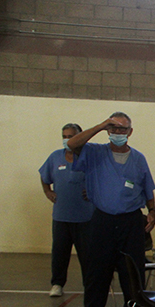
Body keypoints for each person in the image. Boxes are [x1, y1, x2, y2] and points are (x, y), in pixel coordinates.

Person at [67, 112, 155, 307]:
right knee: (97, 271)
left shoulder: (138, 159)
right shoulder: (94, 152)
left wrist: (152, 211)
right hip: (102, 220)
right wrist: (100, 126)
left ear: (130, 132)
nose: (118, 132)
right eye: (113, 128)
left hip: (131, 221)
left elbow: (147, 188)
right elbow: (72, 144)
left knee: (131, 272)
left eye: (122, 129)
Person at [39, 123, 93, 297]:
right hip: (61, 216)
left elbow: (102, 179)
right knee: (59, 253)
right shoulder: (55, 157)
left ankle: (90, 286)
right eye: (65, 136)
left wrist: (93, 191)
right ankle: (57, 283)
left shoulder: (90, 158)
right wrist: (47, 191)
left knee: (87, 255)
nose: (67, 140)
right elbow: (44, 176)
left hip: (85, 217)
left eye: (71, 136)